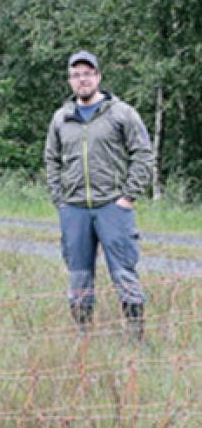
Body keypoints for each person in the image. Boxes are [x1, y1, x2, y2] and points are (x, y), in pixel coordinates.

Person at [44, 50, 153, 340]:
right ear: (70, 81)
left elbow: (143, 155)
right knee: (79, 277)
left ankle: (135, 338)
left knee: (125, 275)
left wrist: (128, 196)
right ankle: (83, 338)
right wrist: (60, 199)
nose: (82, 80)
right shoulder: (61, 119)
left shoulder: (122, 114)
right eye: (76, 75)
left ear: (98, 77)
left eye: (87, 74)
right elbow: (51, 160)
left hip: (113, 206)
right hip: (74, 209)